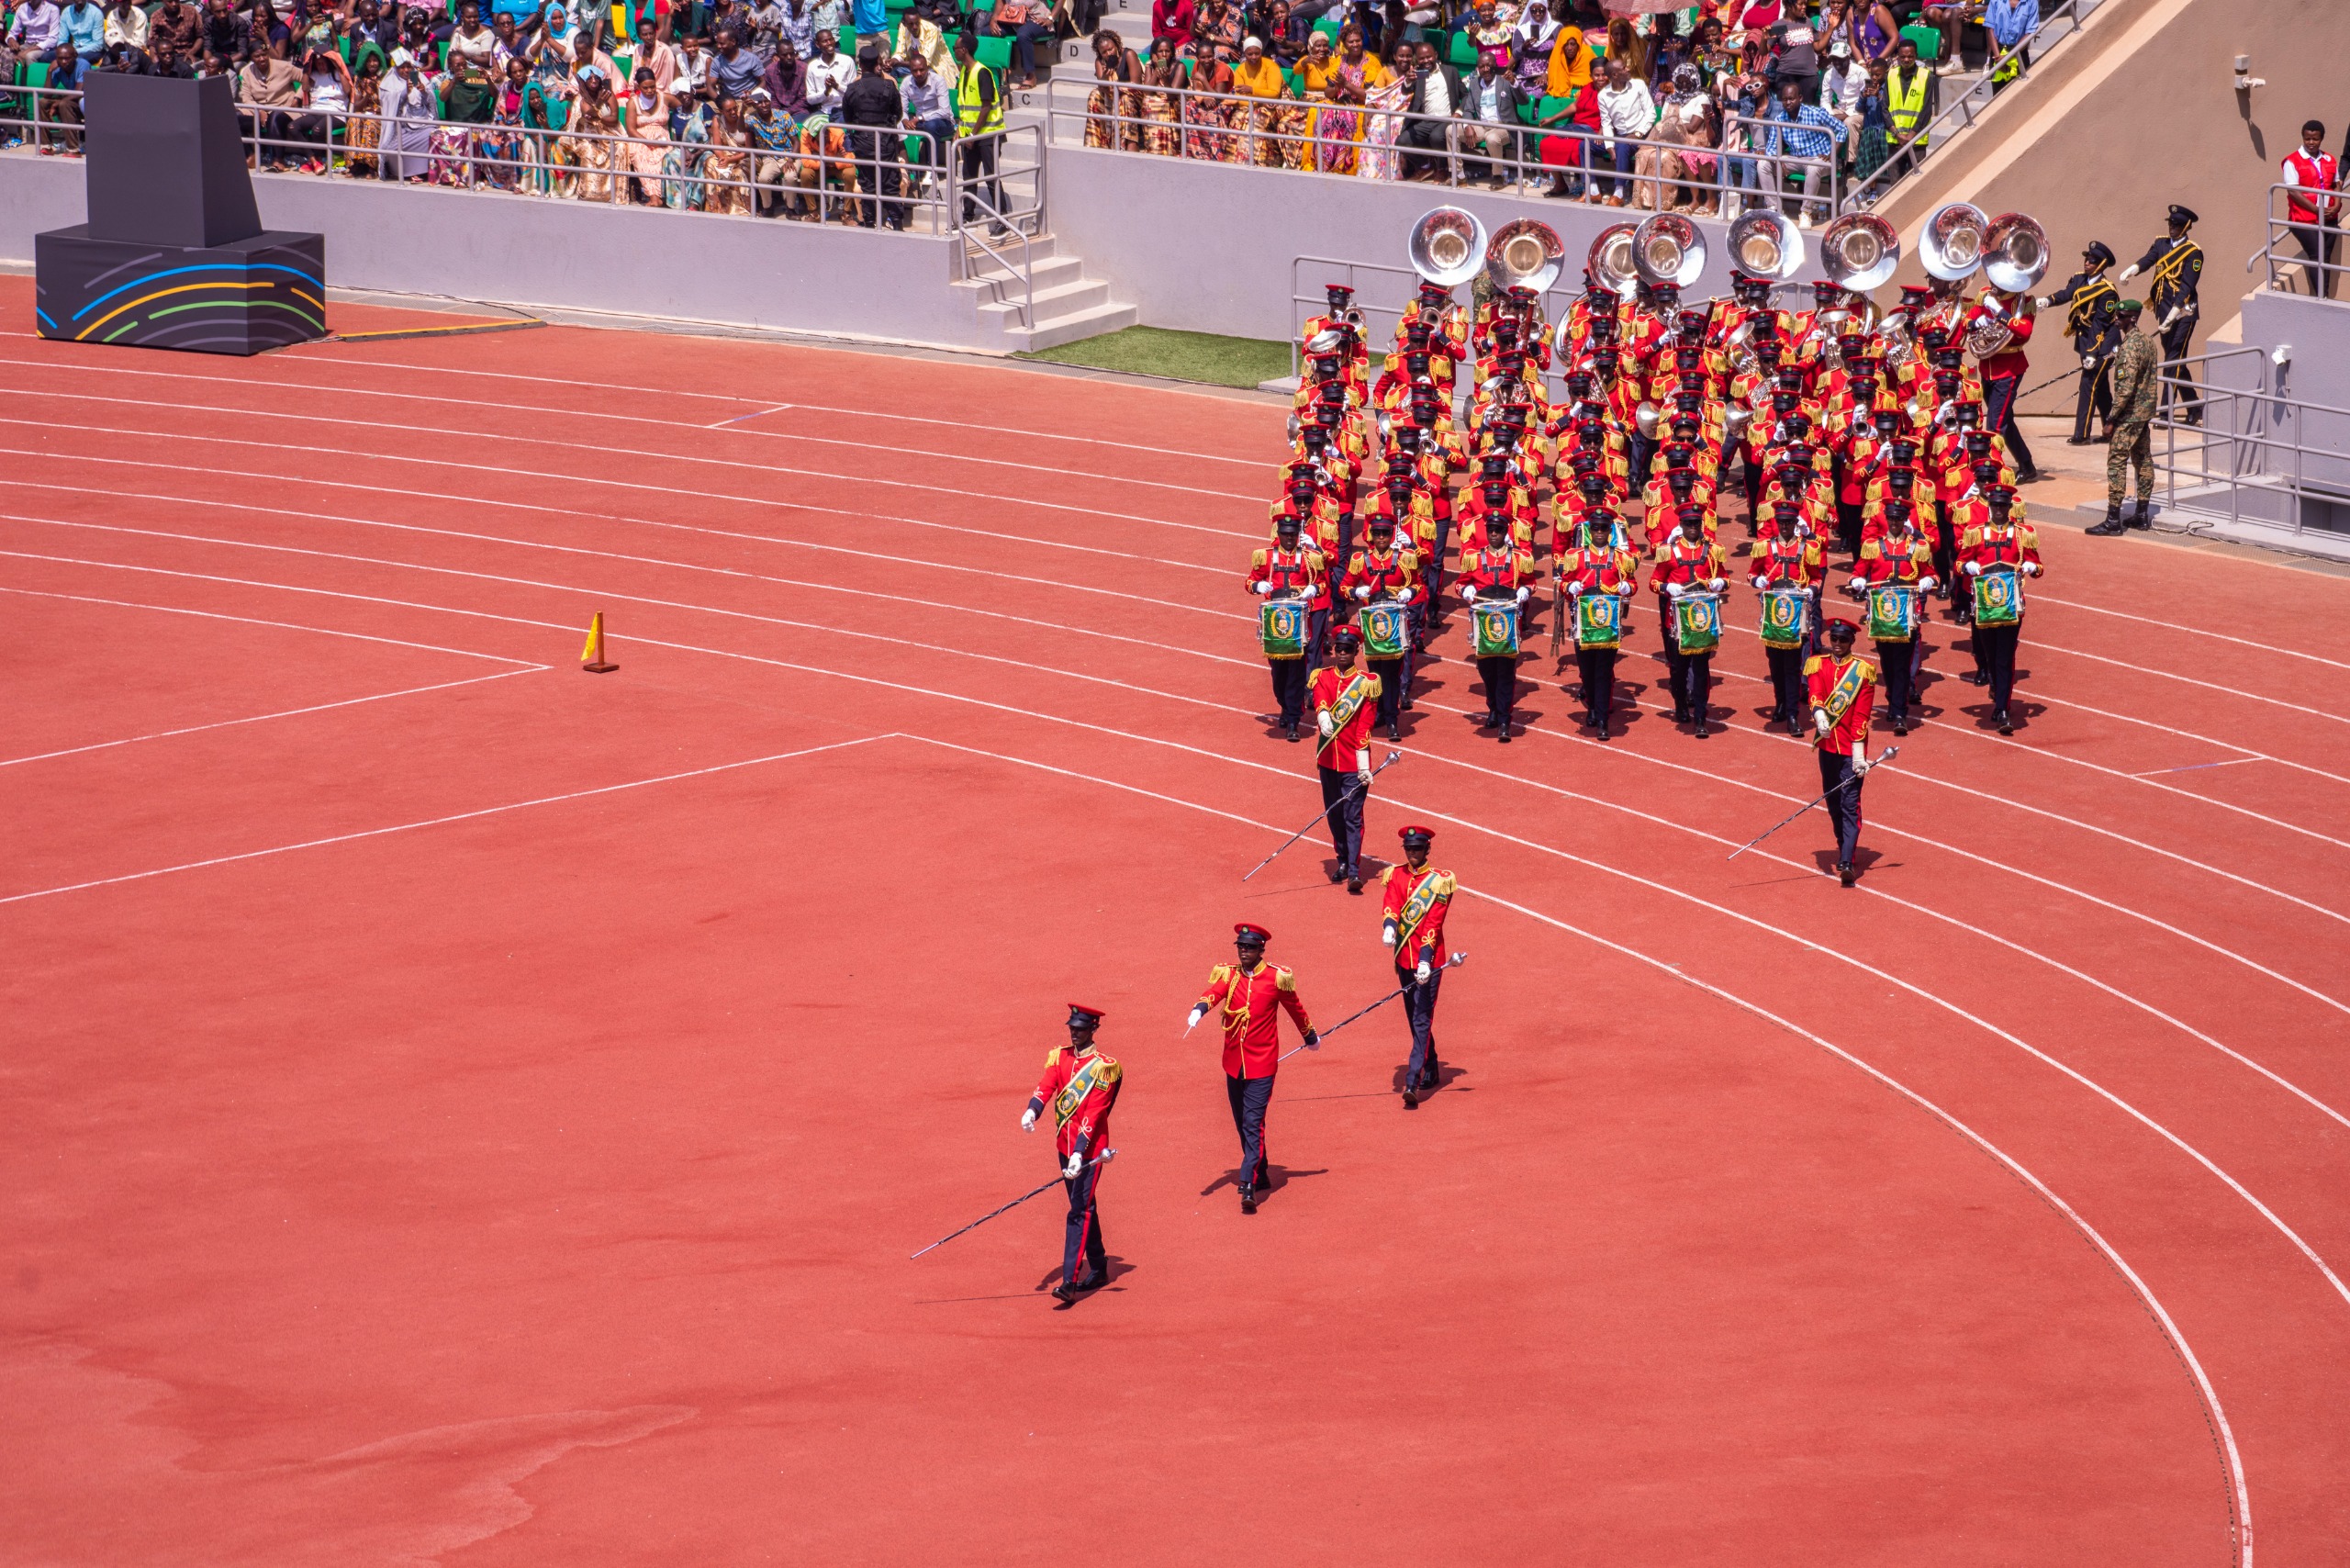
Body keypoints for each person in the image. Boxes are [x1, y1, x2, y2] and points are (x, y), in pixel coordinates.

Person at [1186, 924, 1316, 1214]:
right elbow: (1214, 992)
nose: (1244, 951)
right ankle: (1262, 1170)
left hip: (1262, 1065)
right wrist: (1199, 1009)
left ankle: (1249, 1183)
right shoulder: (1230, 976)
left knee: (1252, 1123)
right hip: (1234, 1064)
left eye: (1250, 947)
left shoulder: (1275, 978)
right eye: (1241, 947)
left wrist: (1309, 1036)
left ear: (1261, 950)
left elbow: (1295, 1009)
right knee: (1241, 1122)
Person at [1022, 1003, 1120, 1304]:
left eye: (1080, 1029)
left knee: (1078, 1210)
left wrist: (1079, 1152)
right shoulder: (1060, 1057)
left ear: (1093, 1029)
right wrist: (1032, 1110)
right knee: (1084, 1205)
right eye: (1072, 1028)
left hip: (1090, 1151)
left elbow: (1094, 1112)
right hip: (1064, 1147)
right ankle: (1099, 1265)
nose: (1074, 1034)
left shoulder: (1103, 1068)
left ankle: (1069, 1281)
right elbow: (1046, 1086)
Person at [1956, 481, 2040, 734]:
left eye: (2003, 505)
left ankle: (2003, 708)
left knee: (2005, 656)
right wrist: (1967, 566)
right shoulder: (1975, 532)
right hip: (1984, 604)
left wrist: (2032, 567)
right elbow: (1959, 563)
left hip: (2011, 604)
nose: (1999, 510)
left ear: (2009, 507)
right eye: (1995, 505)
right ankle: (1996, 685)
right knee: (1990, 654)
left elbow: (2038, 566)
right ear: (1990, 506)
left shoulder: (2023, 533)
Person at [1380, 824, 1454, 1109]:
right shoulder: (1396, 874)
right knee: (1414, 1017)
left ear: (1427, 850)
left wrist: (1425, 960)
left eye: (1418, 849)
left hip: (1428, 962)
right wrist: (1389, 927)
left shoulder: (1439, 882)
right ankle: (1431, 1063)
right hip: (1404, 959)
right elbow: (1392, 904)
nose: (1412, 853)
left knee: (1422, 1018)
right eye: (1409, 848)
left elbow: (1433, 924)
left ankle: (1413, 1080)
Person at [1846, 497, 1933, 734]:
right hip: (1882, 615)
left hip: (1906, 614)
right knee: (1888, 663)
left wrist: (1927, 580)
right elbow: (1857, 572)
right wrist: (1857, 581)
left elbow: (1932, 574)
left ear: (1905, 520)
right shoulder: (1873, 546)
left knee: (1902, 665)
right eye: (1891, 518)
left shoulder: (1918, 546)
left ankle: (1899, 712)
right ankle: (1893, 698)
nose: (1894, 522)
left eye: (1899, 518)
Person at [1805, 618, 1878, 887]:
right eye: (1833, 638)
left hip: (1850, 749)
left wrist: (1859, 755)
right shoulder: (1818, 664)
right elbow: (1815, 694)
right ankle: (1843, 845)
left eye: (1843, 640)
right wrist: (1819, 716)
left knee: (1850, 804)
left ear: (1852, 641)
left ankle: (1847, 860)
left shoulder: (1863, 671)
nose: (1837, 644)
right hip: (1827, 747)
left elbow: (1861, 716)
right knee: (1833, 803)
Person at [1308, 624, 1379, 892]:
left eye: (1347, 649)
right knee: (1335, 814)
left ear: (1356, 651)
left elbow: (1364, 728)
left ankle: (1354, 870)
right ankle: (1341, 859)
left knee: (1352, 816)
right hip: (1328, 760)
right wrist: (1322, 714)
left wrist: (1363, 766)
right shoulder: (1323, 676)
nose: (1342, 653)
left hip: (1352, 763)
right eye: (1339, 648)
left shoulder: (1366, 683)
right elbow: (1321, 698)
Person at [2119, 203, 2202, 425]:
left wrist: (2173, 315)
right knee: (2176, 361)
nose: (2172, 228)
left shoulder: (2194, 253)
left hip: (2183, 313)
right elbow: (2148, 260)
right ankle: (2195, 407)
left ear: (2186, 226)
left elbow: (2186, 288)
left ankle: (2166, 412)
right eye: (2170, 224)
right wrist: (2132, 269)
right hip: (2163, 310)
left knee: (2172, 359)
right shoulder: (2161, 244)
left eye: (2176, 225)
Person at [1650, 504, 1729, 737]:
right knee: (1678, 669)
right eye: (1688, 523)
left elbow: (1724, 577)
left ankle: (1701, 717)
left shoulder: (1712, 551)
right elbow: (1654, 582)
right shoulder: (1668, 551)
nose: (1693, 527)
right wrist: (1667, 587)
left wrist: (1720, 583)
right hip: (1677, 622)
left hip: (1703, 621)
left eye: (1696, 523)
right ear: (1681, 525)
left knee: (1702, 670)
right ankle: (1680, 703)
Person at [1558, 510, 1637, 741]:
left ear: (1610, 531)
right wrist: (1569, 587)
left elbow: (1632, 584)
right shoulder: (1575, 555)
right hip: (1584, 622)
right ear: (1589, 531)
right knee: (1587, 670)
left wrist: (1628, 588)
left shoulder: (1621, 557)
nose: (1599, 532)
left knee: (1603, 670)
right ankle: (1592, 705)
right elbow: (1563, 583)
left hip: (1608, 623)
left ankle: (1602, 719)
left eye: (1604, 528)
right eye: (1595, 528)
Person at [1249, 510, 1329, 741]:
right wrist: (1257, 586)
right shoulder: (1265, 556)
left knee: (1296, 672)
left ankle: (1294, 719)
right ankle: (1284, 705)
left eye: (1293, 535)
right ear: (1279, 534)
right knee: (1278, 674)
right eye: (1285, 534)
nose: (1289, 539)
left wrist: (1314, 588)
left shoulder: (1309, 558)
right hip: (1274, 623)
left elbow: (1322, 583)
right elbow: (1250, 580)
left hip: (1298, 623)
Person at [1340, 516, 1422, 742]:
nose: (1381, 538)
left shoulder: (1404, 558)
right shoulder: (1361, 559)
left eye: (1385, 533)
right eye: (1377, 534)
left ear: (1391, 535)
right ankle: (1379, 714)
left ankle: (1392, 719)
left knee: (1392, 674)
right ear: (1371, 536)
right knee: (1375, 673)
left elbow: (1418, 584)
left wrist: (1410, 592)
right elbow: (1344, 586)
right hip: (1372, 626)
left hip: (1395, 624)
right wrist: (1355, 592)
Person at [2086, 297, 2158, 535]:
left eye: (2121, 316)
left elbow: (2125, 388)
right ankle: (2141, 515)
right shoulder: (2147, 341)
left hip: (2129, 415)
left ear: (2133, 318)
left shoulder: (2130, 347)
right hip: (2143, 413)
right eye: (2116, 315)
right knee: (2143, 460)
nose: (2116, 320)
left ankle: (2113, 520)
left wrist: (2111, 419)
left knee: (2116, 462)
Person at [1457, 513, 1533, 740]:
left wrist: (1525, 590)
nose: (1494, 534)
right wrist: (1466, 590)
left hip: (1508, 622)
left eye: (1498, 530)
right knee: (1487, 671)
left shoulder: (1519, 558)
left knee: (1506, 671)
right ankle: (1493, 706)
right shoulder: (1474, 557)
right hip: (1483, 623)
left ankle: (1504, 720)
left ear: (1505, 532)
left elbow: (1530, 582)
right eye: (1490, 530)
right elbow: (1460, 583)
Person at [2037, 241, 2120, 444]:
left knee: (2088, 385)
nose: (2087, 263)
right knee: (2101, 389)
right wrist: (2047, 301)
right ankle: (2113, 431)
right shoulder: (2079, 279)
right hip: (2087, 341)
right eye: (2087, 259)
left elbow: (2099, 325)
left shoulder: (2107, 291)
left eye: (2092, 261)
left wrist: (2092, 353)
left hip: (2104, 346)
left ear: (2101, 265)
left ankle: (2081, 434)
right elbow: (2066, 294)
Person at [2279, 118, 2340, 300]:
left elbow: (2336, 184)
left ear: (2321, 139)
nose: (2311, 142)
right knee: (2317, 255)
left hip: (2329, 216)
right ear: (2303, 138)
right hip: (2303, 219)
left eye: (2315, 139)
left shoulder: (2329, 159)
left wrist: (2337, 205)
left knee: (2325, 258)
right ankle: (2321, 297)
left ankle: (2324, 296)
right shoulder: (2292, 161)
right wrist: (2316, 209)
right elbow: (2293, 191)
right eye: (2307, 139)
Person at [951, 31, 1004, 230]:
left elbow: (986, 107)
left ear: (964, 50)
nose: (954, 51)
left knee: (991, 177)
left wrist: (973, 134)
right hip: (969, 135)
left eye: (956, 48)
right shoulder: (964, 72)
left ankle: (1003, 219)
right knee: (969, 176)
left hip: (988, 134)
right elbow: (966, 108)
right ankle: (967, 215)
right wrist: (960, 129)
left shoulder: (982, 73)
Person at [1594, 54, 1654, 207]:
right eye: (1624, 68)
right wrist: (1609, 147)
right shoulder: (1603, 95)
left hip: (1641, 135)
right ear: (1615, 75)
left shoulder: (1638, 85)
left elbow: (1650, 113)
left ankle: (1618, 193)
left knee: (1622, 145)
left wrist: (1638, 133)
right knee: (1585, 146)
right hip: (1620, 137)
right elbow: (1606, 123)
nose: (1628, 69)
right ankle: (1593, 191)